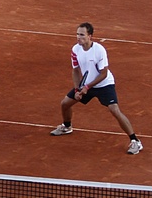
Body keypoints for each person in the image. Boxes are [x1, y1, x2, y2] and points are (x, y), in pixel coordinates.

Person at [50, 22, 143, 155]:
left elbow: (103, 73)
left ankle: (135, 141)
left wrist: (87, 87)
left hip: (104, 84)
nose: (78, 37)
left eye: (82, 35)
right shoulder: (75, 49)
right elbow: (75, 70)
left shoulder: (99, 50)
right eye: (77, 34)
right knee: (65, 104)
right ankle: (67, 126)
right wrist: (77, 90)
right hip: (86, 84)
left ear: (90, 36)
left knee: (114, 110)